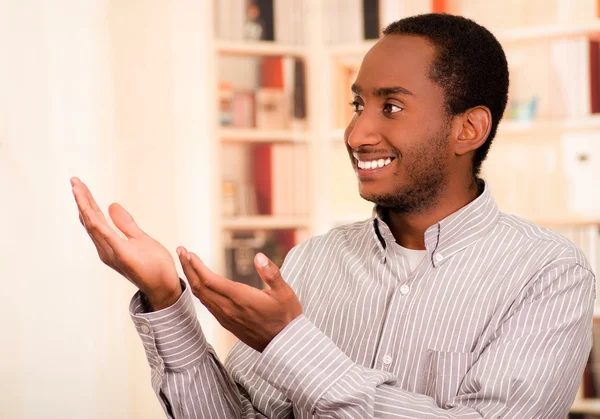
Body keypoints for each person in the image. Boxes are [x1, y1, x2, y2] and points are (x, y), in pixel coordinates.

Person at [71, 13, 595, 419]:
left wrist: (290, 345)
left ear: (468, 130)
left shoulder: (549, 275)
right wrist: (166, 298)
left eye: (390, 107)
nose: (356, 133)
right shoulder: (313, 262)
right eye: (357, 104)